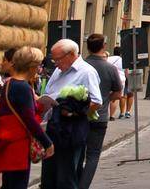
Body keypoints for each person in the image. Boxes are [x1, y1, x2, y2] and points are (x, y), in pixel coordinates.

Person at [39, 39, 103, 189]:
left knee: (66, 178)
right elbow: (49, 93)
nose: (55, 63)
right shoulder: (58, 70)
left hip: (71, 131)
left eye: (58, 59)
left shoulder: (87, 72)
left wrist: (74, 113)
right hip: (52, 129)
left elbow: (96, 101)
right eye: (53, 59)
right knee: (49, 178)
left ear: (71, 55)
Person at [0, 47, 53, 189]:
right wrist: (47, 142)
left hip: (8, 141)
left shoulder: (9, 83)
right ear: (32, 66)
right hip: (18, 143)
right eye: (39, 65)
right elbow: (29, 120)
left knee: (9, 183)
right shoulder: (23, 87)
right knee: (17, 183)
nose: (39, 69)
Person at [79, 35, 124, 189]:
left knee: (77, 152)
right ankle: (83, 186)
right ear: (104, 46)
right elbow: (118, 93)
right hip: (100, 117)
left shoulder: (81, 65)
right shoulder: (110, 68)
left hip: (79, 116)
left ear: (87, 47)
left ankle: (73, 182)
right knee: (92, 155)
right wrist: (104, 99)